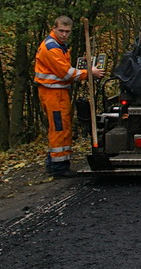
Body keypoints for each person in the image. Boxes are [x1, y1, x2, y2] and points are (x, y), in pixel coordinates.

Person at [34, 16, 104, 178]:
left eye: (67, 32)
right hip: (52, 94)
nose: (64, 34)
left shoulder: (59, 45)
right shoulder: (52, 48)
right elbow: (66, 73)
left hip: (58, 93)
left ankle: (55, 164)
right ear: (54, 28)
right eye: (61, 31)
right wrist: (89, 73)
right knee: (59, 128)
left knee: (63, 127)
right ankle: (58, 167)